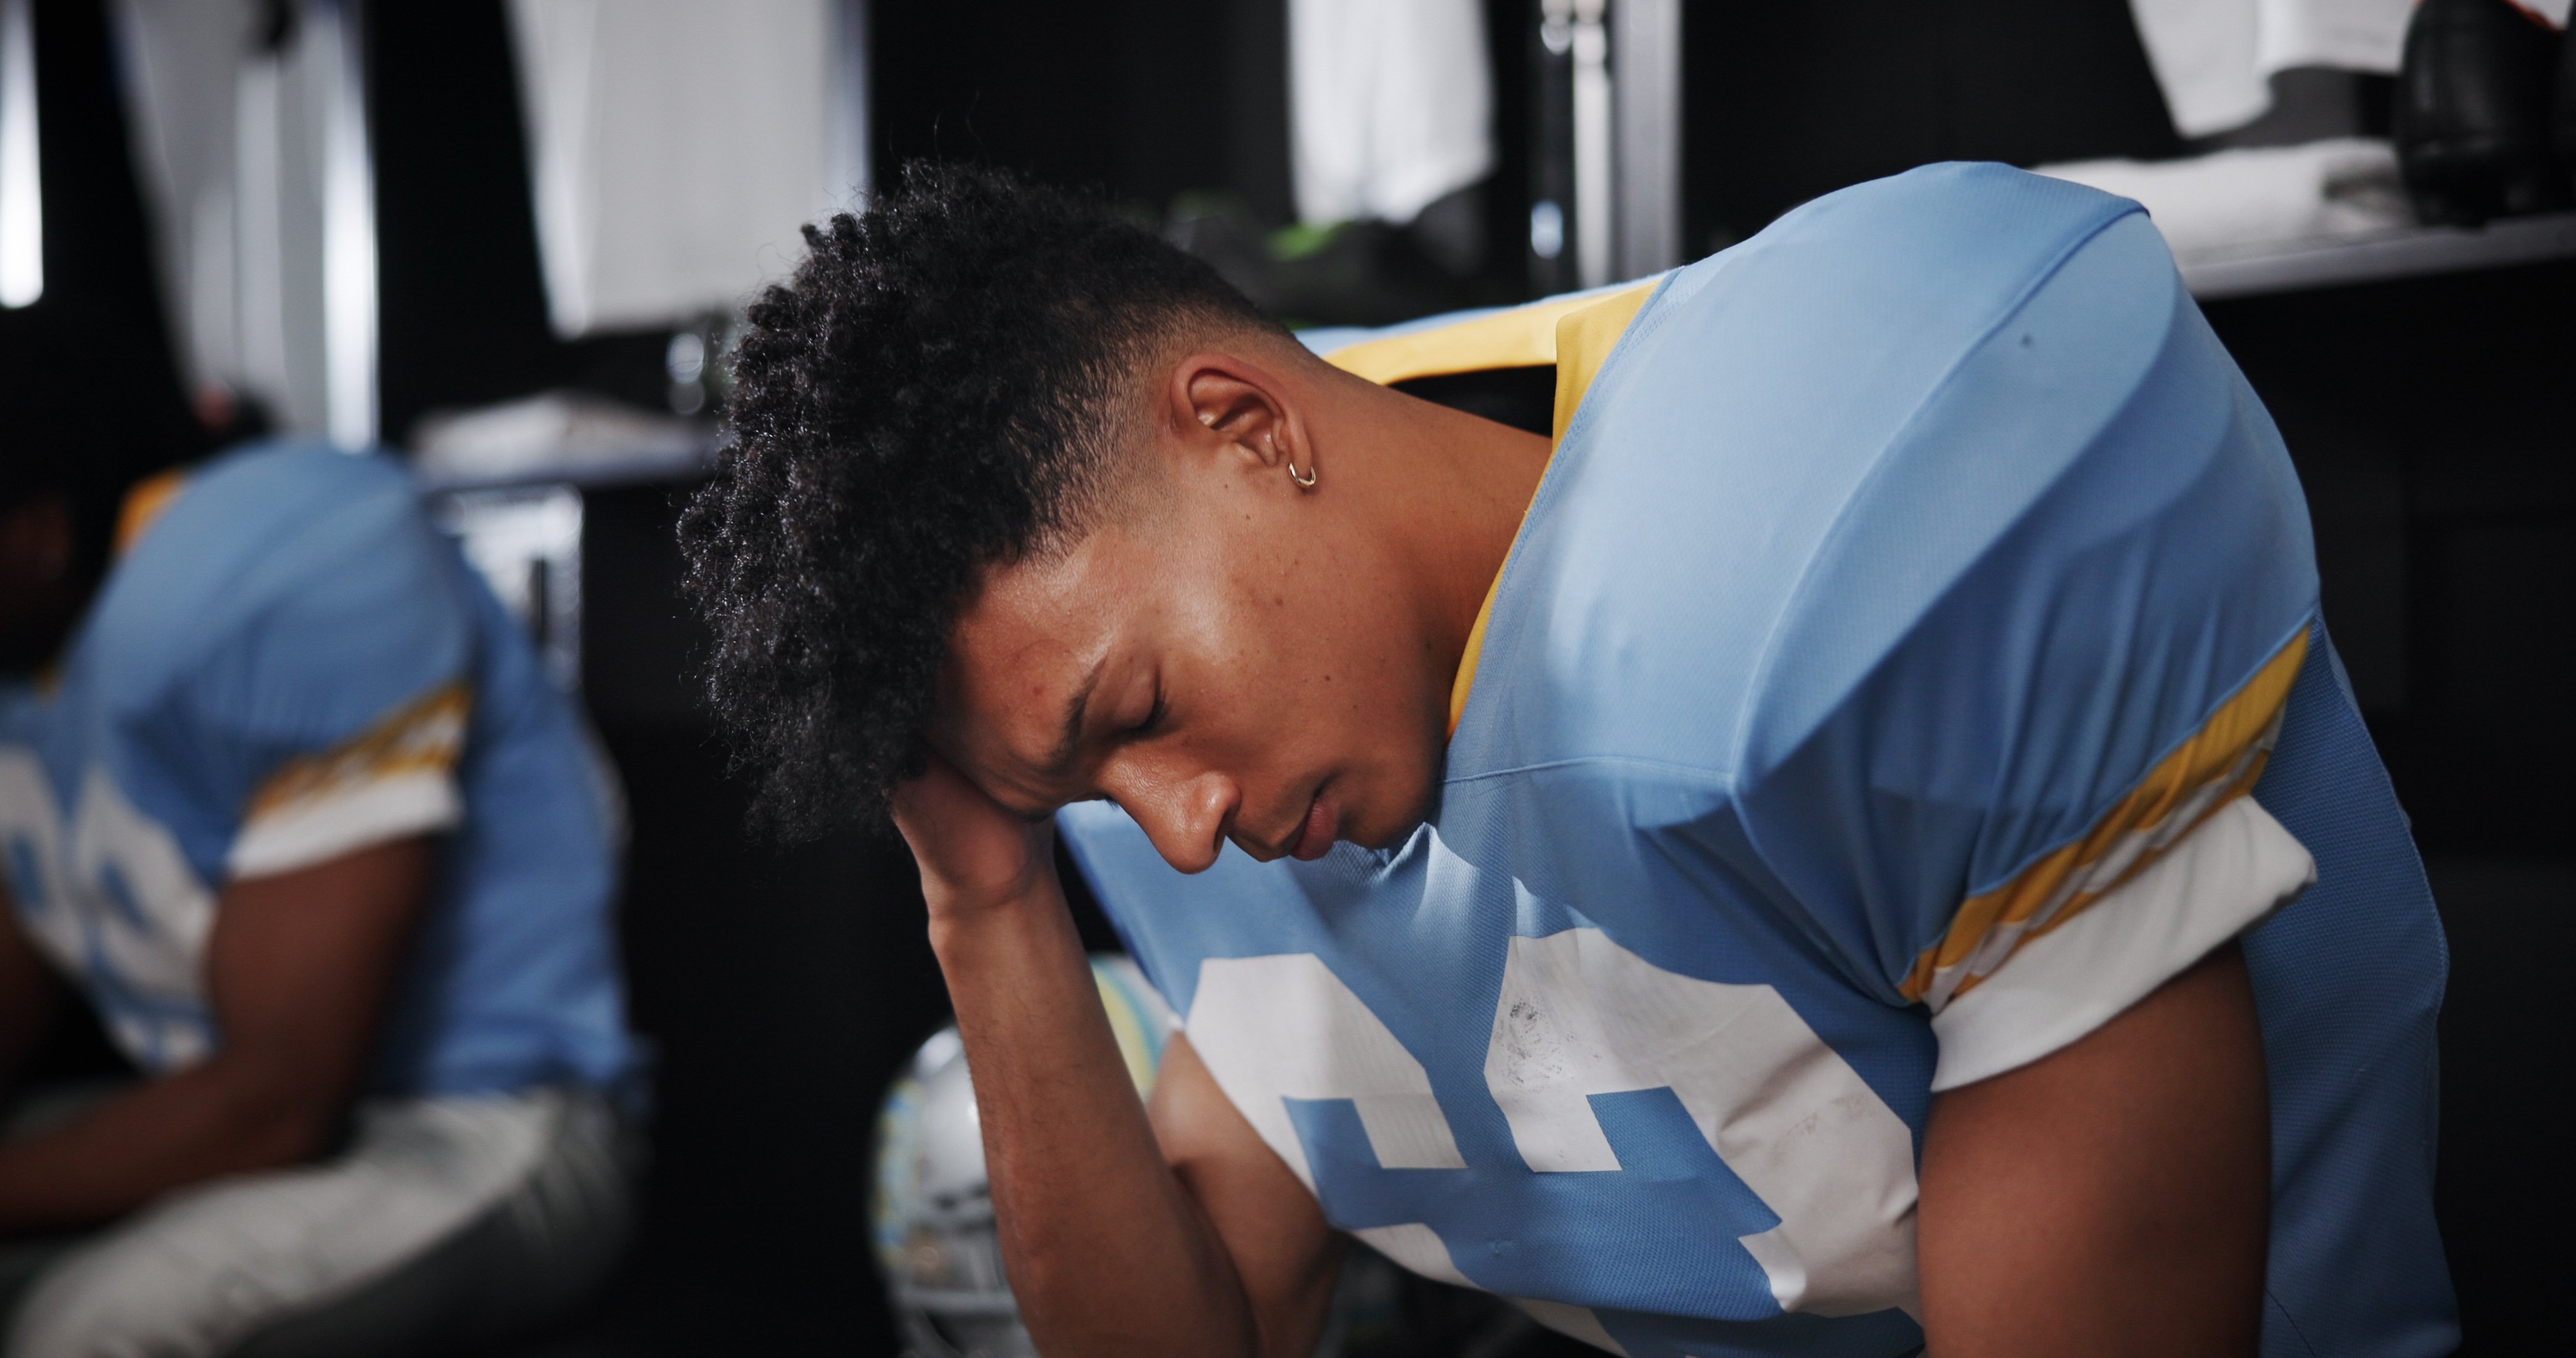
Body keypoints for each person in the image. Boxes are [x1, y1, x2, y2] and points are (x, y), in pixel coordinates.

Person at [681, 162, 2455, 1357]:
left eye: (1131, 720)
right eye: (1077, 793)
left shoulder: (1822, 572)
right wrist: (984, 893)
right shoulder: (1228, 765)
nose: (1176, 830)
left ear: (1241, 423)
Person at [0, 419, 638, 1357]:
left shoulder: (276, 555)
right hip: (242, 1114)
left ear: (38, 534)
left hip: (486, 1118)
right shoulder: (33, 679)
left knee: (94, 1333)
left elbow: (280, 1101)